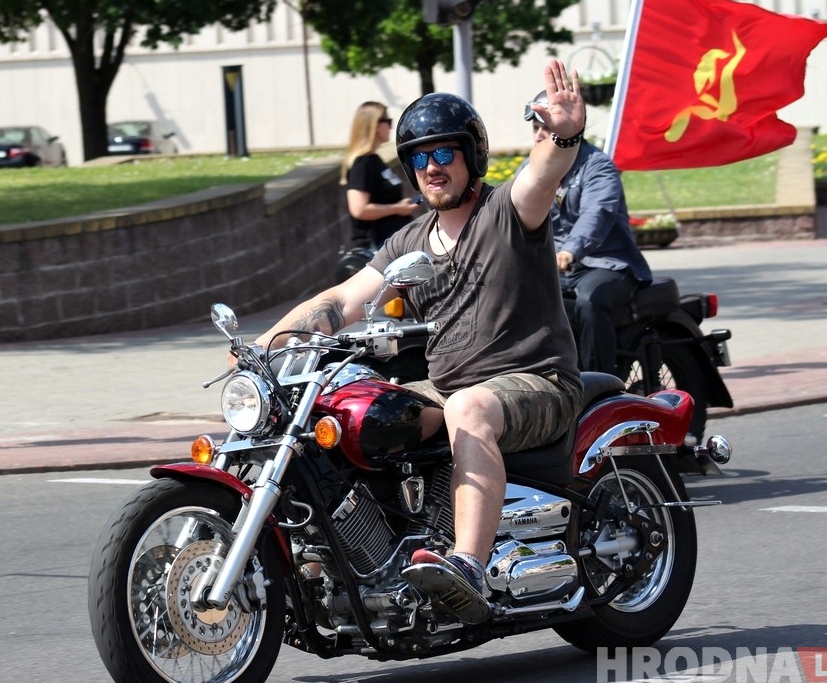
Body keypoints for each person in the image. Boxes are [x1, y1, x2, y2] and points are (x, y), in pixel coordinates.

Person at [247, 61, 586, 625]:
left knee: (469, 407)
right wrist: (262, 347)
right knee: (350, 412)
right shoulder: (408, 242)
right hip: (447, 385)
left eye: (443, 153)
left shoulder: (506, 212)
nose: (432, 168)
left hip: (539, 379)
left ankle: (469, 568)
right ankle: (335, 564)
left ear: (470, 156)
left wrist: (562, 135)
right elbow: (343, 300)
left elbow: (541, 175)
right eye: (420, 158)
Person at [521, 90, 652, 376]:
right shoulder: (531, 169)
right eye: (535, 128)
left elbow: (598, 213)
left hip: (607, 263)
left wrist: (569, 250)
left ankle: (600, 386)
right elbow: (509, 209)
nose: (539, 136)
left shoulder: (597, 165)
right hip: (558, 266)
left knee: (590, 302)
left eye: (547, 127)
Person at [341, 101, 421, 250]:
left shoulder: (374, 160)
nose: (391, 127)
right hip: (376, 248)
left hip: (390, 241)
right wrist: (397, 208)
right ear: (375, 125)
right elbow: (359, 209)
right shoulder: (362, 163)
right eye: (388, 121)